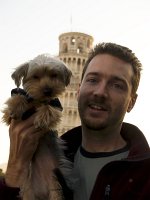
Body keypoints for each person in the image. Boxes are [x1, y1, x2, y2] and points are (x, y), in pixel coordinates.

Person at [0, 42, 150, 200]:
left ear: (131, 102)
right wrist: (16, 166)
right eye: (93, 80)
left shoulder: (145, 177)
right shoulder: (50, 153)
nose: (100, 92)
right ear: (78, 91)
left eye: (117, 85)